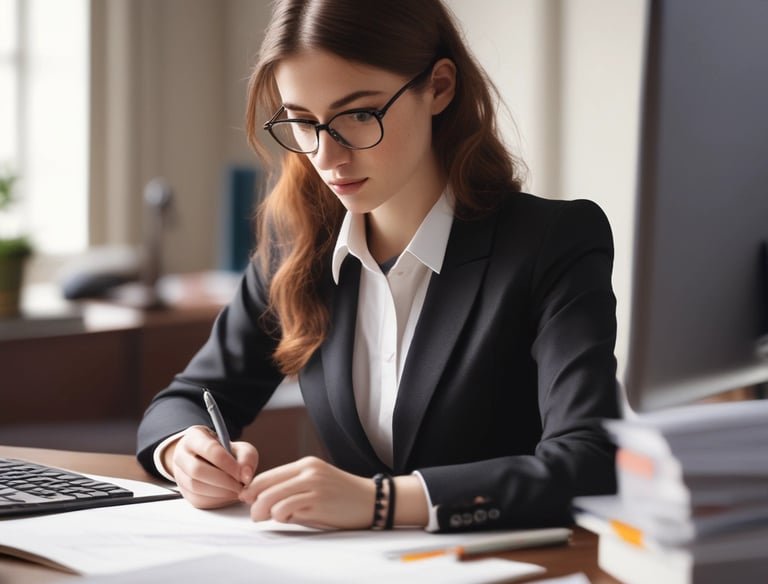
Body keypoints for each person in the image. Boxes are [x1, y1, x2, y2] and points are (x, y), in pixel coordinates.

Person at [137, 0, 620, 533]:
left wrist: (383, 501)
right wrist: (183, 450)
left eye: (359, 115)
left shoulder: (552, 243)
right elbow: (184, 401)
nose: (326, 155)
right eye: (302, 122)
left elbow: (590, 460)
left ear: (439, 87)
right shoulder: (294, 248)